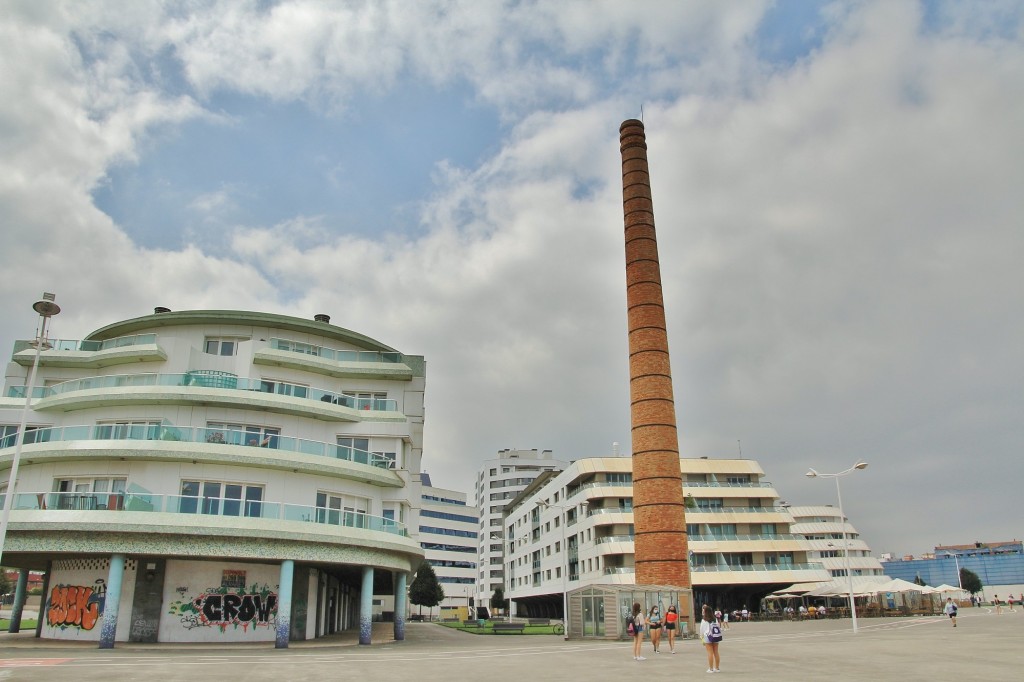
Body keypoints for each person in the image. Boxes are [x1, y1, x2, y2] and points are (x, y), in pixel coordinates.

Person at [699, 604, 722, 673]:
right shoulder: (715, 619)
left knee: (710, 653)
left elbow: (701, 629)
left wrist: (701, 637)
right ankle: (717, 668)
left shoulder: (704, 620)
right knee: (716, 652)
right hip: (715, 636)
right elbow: (718, 626)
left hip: (707, 636)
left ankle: (711, 669)